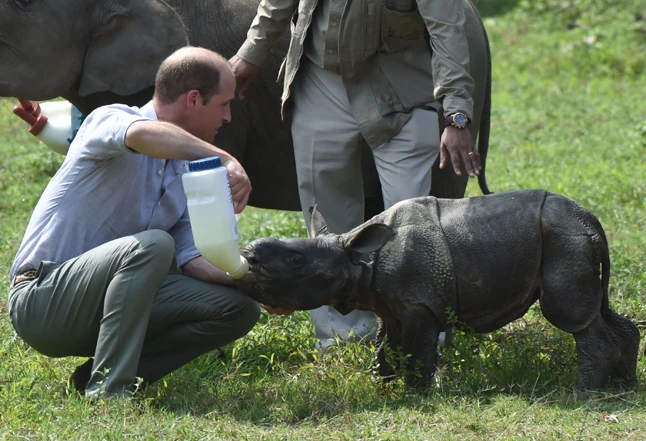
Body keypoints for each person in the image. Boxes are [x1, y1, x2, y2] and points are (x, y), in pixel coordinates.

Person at [7, 46, 264, 400]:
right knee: (154, 245)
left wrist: (261, 283)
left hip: (108, 310)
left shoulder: (187, 173)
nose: (228, 117)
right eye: (224, 104)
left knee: (238, 309)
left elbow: (195, 261)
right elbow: (140, 135)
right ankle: (109, 393)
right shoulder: (110, 119)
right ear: (193, 99)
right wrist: (224, 159)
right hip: (43, 301)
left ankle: (99, 376)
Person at [229, 0, 483, 350]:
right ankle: (341, 338)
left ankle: (423, 333)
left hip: (400, 78)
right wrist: (251, 52)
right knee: (326, 213)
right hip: (322, 75)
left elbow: (447, 30)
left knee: (410, 220)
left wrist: (456, 116)